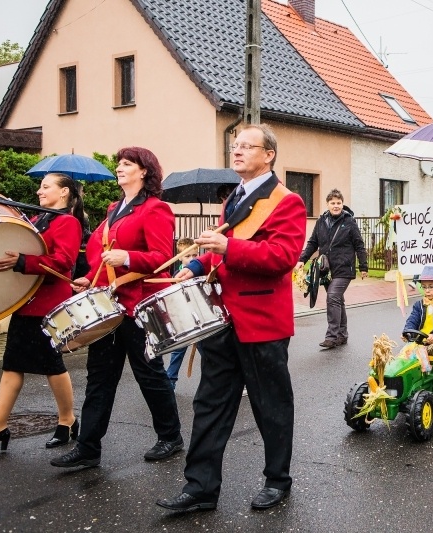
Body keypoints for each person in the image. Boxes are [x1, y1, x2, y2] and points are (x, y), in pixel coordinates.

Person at [157, 123, 306, 513]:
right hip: (222, 319)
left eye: (246, 146)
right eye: (234, 145)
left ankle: (277, 481)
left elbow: (281, 258)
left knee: (271, 407)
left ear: (268, 155)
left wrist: (227, 247)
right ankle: (200, 489)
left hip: (262, 322)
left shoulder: (287, 201)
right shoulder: (235, 197)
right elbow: (224, 249)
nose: (236, 151)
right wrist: (196, 264)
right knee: (210, 404)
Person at [51, 147, 183, 469]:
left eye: (127, 164)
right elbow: (100, 253)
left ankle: (171, 436)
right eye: (119, 163)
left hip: (138, 306)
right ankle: (88, 448)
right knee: (99, 378)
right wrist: (88, 277)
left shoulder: (156, 209)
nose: (119, 168)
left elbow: (163, 258)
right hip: (109, 307)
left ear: (144, 171)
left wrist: (127, 257)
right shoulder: (114, 208)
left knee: (149, 375)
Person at [0, 173, 84, 451]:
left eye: (46, 187)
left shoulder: (68, 222)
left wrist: (22, 261)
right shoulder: (36, 220)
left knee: (51, 366)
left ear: (64, 192)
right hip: (25, 302)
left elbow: (63, 262)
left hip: (48, 306)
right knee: (12, 364)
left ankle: (67, 420)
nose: (39, 191)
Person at [295, 189, 368, 349]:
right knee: (337, 300)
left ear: (342, 204)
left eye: (338, 203)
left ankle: (332, 336)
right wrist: (302, 260)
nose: (336, 206)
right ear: (327, 204)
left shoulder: (349, 222)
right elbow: (313, 243)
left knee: (333, 296)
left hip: (344, 268)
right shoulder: (321, 221)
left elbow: (359, 245)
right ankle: (342, 335)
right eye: (333, 203)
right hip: (326, 269)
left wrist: (363, 266)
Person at [165, 237, 198, 388]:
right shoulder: (176, 276)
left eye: (195, 255)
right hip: (184, 320)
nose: (192, 259)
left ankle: (213, 383)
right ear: (180, 257)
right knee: (178, 352)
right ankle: (170, 382)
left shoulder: (200, 272)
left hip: (199, 318)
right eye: (187, 256)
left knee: (209, 353)